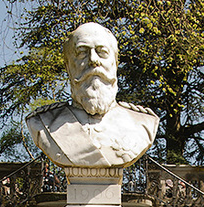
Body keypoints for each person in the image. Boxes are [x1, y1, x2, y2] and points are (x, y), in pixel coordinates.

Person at [26, 22, 159, 169]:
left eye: (102, 52)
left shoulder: (142, 123)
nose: (93, 60)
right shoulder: (44, 122)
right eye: (82, 52)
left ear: (115, 63)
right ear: (68, 66)